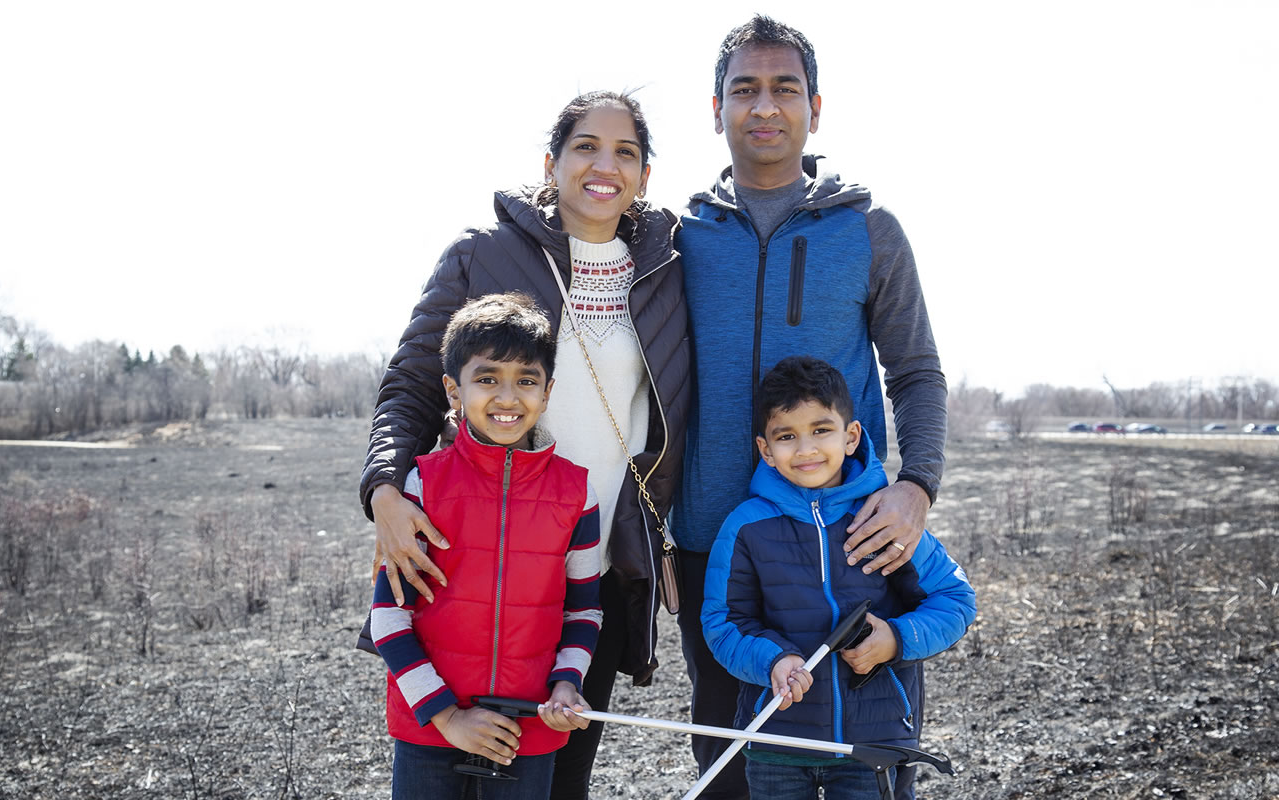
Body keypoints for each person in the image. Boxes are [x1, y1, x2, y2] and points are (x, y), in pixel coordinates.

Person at [360, 91, 689, 799]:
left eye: (626, 151)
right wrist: (384, 489)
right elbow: (412, 383)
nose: (605, 165)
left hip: (589, 573)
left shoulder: (667, 271)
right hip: (472, 560)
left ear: (645, 175)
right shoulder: (483, 255)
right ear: (551, 162)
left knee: (556, 781)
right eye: (586, 147)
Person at [673, 16, 949, 798]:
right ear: (717, 108)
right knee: (731, 765)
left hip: (853, 542)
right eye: (744, 90)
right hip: (716, 547)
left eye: (783, 89)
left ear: (815, 108)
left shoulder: (868, 230)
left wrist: (915, 486)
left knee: (867, 761)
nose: (764, 107)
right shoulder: (676, 236)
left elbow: (918, 370)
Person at [702, 356, 975, 800]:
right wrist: (772, 661)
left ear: (851, 437)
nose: (806, 449)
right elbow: (723, 623)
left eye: (821, 430)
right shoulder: (745, 527)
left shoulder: (885, 516)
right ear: (765, 450)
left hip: (875, 745)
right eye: (787, 436)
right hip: (779, 742)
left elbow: (955, 600)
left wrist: (896, 639)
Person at [370, 293, 601, 799]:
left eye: (526, 380)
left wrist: (567, 683)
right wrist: (448, 715)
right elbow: (388, 618)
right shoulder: (421, 486)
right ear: (454, 390)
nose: (507, 396)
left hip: (526, 730)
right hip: (430, 724)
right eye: (487, 378)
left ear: (547, 391)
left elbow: (584, 612)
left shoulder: (577, 493)